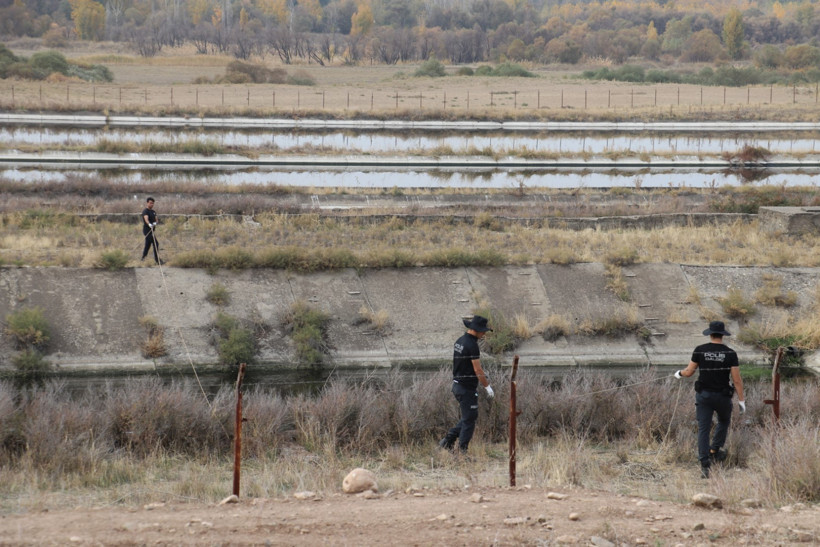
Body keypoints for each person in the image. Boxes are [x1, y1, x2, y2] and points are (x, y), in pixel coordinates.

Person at [674, 320, 745, 478]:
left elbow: (689, 372)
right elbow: (737, 380)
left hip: (704, 396)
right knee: (724, 421)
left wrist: (679, 373)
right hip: (723, 396)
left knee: (703, 429)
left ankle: (705, 465)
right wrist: (741, 401)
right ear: (722, 335)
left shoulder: (700, 350)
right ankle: (714, 449)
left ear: (710, 334)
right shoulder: (730, 353)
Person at [439, 315, 495, 454]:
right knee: (469, 420)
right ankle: (462, 451)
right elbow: (478, 370)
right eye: (483, 331)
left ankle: (447, 442)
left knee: (468, 417)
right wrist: (487, 386)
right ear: (476, 330)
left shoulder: (460, 341)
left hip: (457, 385)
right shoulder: (472, 345)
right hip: (466, 388)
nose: (483, 334)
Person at [141, 197, 161, 264]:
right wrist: (149, 224)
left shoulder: (153, 212)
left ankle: (143, 258)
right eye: (150, 203)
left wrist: (155, 223)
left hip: (152, 230)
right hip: (147, 230)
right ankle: (157, 260)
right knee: (156, 243)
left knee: (148, 244)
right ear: (147, 203)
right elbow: (146, 219)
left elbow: (156, 219)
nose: (151, 204)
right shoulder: (145, 211)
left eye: (152, 203)